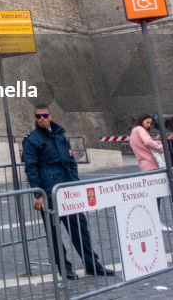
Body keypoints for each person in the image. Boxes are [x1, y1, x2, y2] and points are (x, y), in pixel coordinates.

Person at [23, 105, 114, 279]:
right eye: (38, 116)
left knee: (80, 229)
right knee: (54, 232)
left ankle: (92, 264)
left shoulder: (60, 136)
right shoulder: (32, 140)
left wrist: (74, 182)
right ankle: (64, 267)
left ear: (51, 116)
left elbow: (71, 161)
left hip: (68, 189)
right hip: (49, 191)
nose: (41, 118)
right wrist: (38, 194)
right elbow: (31, 168)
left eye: (44, 115)